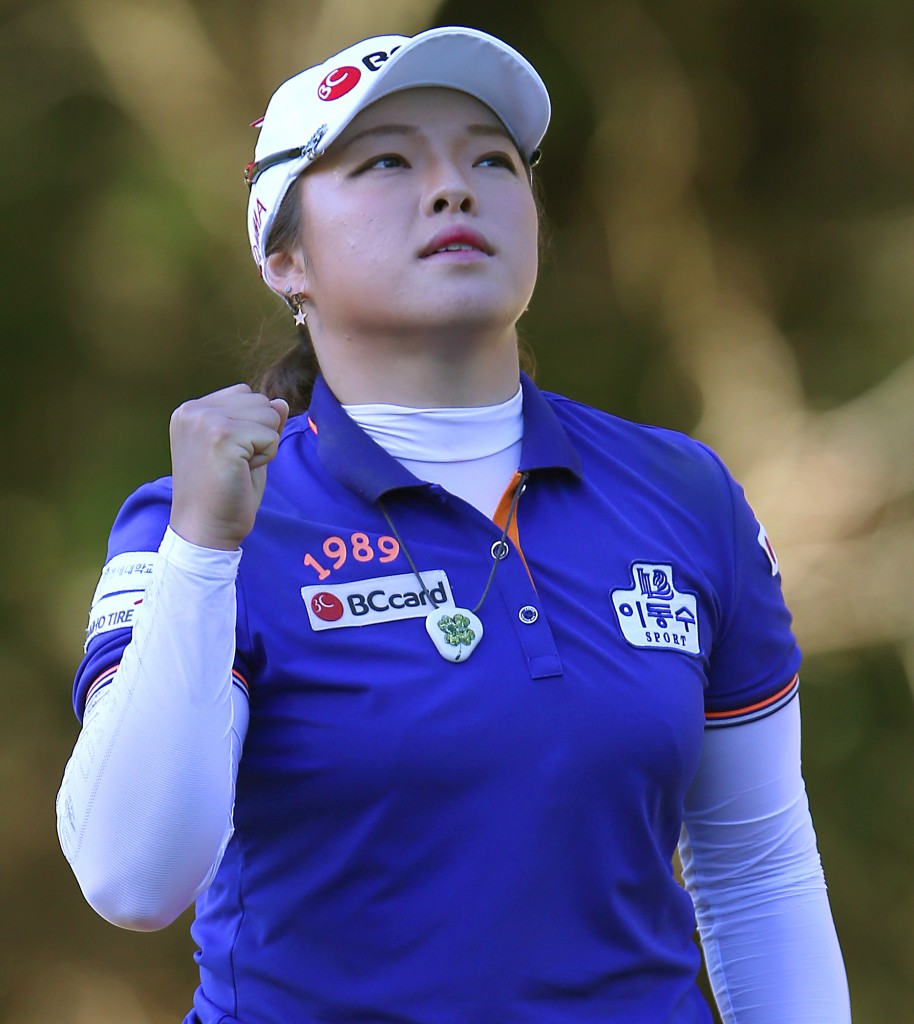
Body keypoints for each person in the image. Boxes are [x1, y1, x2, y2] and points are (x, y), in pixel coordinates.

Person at [56, 25, 852, 1024]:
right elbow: (133, 880)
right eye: (387, 161)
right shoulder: (199, 518)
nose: (453, 187)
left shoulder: (683, 491)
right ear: (284, 258)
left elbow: (755, 864)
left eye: (491, 159)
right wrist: (205, 551)